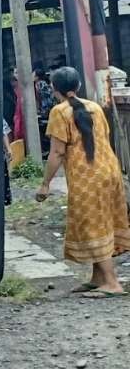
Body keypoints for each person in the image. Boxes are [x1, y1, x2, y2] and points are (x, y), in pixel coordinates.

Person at [38, 67, 130, 298]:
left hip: (87, 178)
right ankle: (98, 278)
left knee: (93, 225)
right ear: (78, 86)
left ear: (53, 88)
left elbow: (57, 153)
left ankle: (112, 282)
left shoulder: (59, 112)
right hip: (110, 171)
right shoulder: (95, 107)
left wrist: (45, 184)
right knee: (103, 221)